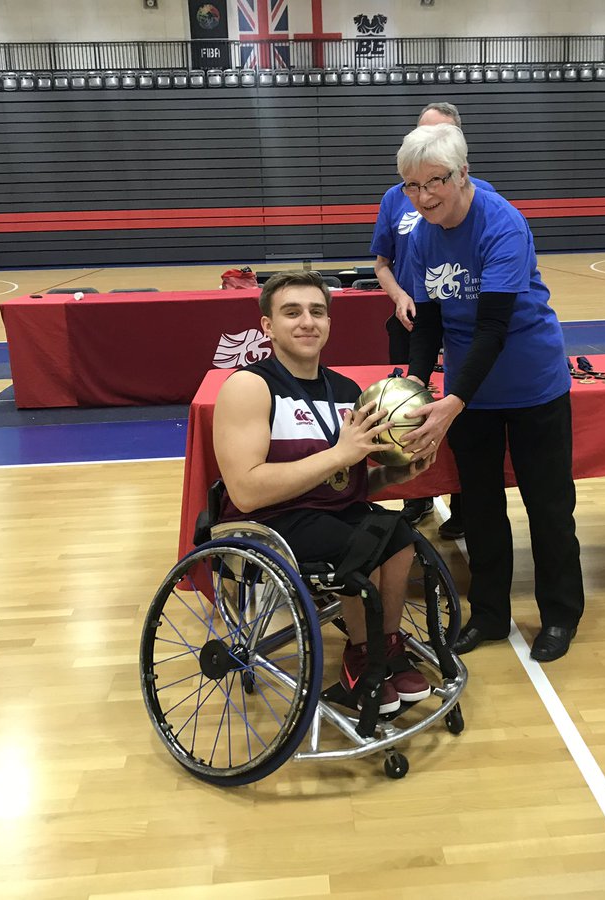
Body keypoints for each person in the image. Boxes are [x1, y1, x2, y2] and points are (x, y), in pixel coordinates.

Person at [395, 123, 585, 663]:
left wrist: (452, 401)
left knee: (548, 507)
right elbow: (427, 322)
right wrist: (416, 384)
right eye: (411, 185)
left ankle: (560, 614)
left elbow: (493, 328)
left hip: (531, 386)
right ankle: (490, 615)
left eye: (435, 182)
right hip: (470, 391)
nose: (424, 195)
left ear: (463, 173)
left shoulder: (503, 225)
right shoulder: (421, 235)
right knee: (478, 507)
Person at [212, 272, 436, 714]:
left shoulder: (346, 392)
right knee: (361, 543)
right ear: (267, 327)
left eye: (317, 312)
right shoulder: (248, 387)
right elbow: (246, 490)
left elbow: (346, 486)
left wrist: (392, 478)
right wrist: (339, 454)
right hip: (269, 523)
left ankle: (383, 649)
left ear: (329, 323)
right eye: (291, 312)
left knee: (398, 533)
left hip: (332, 515)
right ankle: (361, 655)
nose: (307, 322)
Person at [371, 101, 494, 539]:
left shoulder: (485, 200)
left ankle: (461, 503)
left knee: (459, 416)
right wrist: (402, 296)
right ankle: (416, 493)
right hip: (416, 321)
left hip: (463, 329)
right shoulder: (396, 196)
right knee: (411, 408)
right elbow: (382, 263)